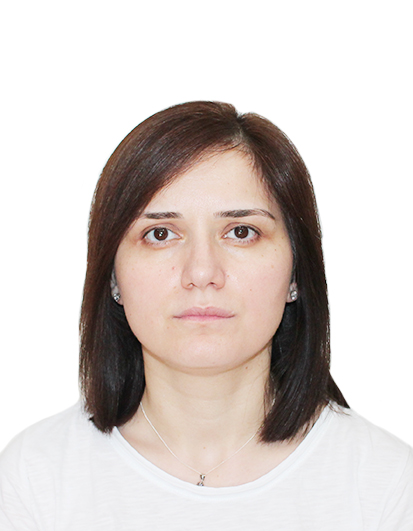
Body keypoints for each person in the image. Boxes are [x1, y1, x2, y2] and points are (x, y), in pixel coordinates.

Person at [0, 101, 412, 530]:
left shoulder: (386, 487)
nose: (201, 272)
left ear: (296, 272)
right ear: (113, 276)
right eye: (160, 234)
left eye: (241, 232)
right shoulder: (34, 480)